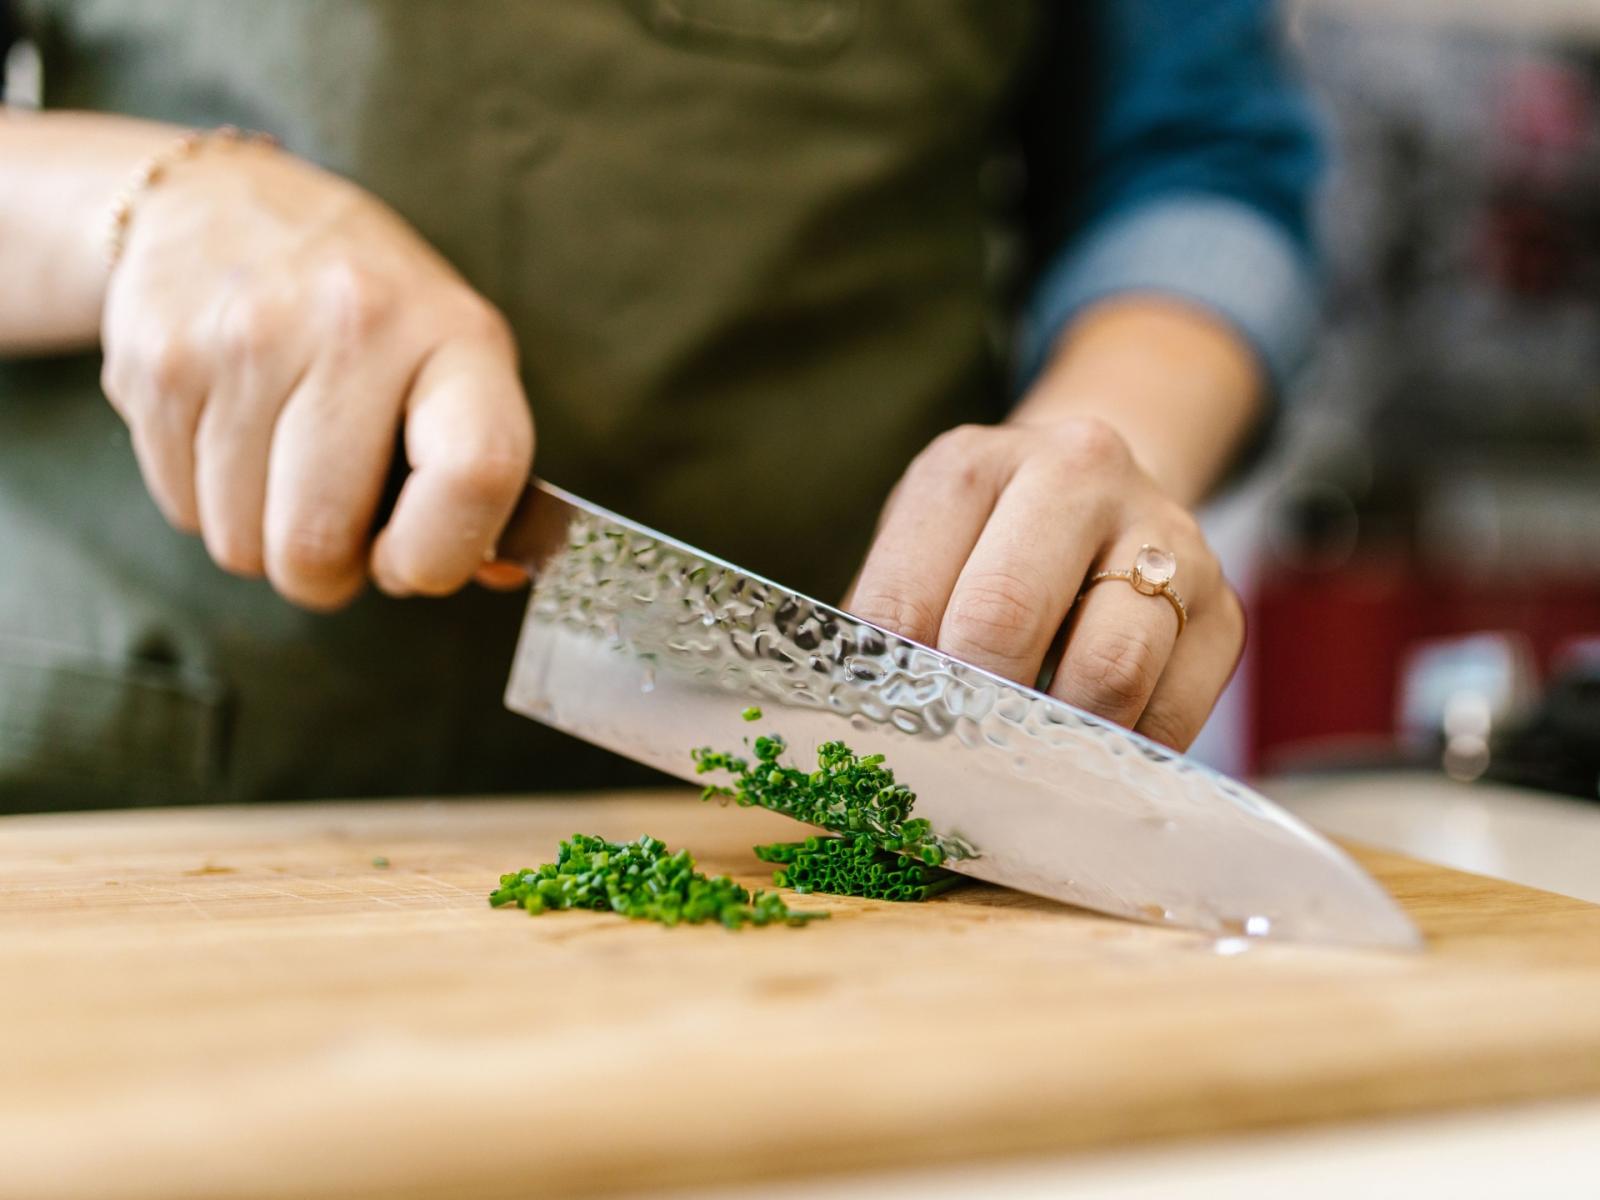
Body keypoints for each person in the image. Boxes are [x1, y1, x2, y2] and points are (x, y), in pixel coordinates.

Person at [0, 1, 1319, 808]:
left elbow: (1195, 158)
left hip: (818, 797)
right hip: (124, 792)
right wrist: (140, 214)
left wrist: (1091, 468)